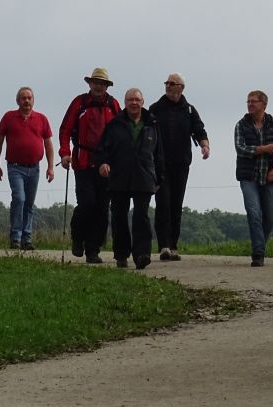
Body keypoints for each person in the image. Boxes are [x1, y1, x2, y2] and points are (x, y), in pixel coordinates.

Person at [95, 88, 164, 270]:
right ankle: (121, 254)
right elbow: (102, 149)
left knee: (141, 216)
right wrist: (103, 163)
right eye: (130, 100)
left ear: (142, 102)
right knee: (119, 216)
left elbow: (159, 153)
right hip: (119, 177)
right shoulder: (114, 124)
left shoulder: (152, 124)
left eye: (137, 100)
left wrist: (159, 177)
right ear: (125, 103)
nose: (134, 103)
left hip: (144, 177)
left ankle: (142, 254)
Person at [58, 67, 121, 264]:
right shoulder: (79, 103)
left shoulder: (113, 105)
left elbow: (121, 132)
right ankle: (78, 238)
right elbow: (65, 129)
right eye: (95, 82)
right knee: (87, 203)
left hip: (106, 164)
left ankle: (93, 249)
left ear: (106, 86)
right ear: (90, 84)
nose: (98, 86)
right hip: (83, 160)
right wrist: (65, 153)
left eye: (102, 83)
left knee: (102, 208)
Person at [148, 73, 209, 261]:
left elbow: (199, 129)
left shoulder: (189, 110)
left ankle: (173, 246)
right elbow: (147, 132)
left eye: (172, 83)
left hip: (181, 163)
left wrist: (205, 145)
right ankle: (164, 246)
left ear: (181, 87)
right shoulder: (155, 108)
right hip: (159, 164)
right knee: (163, 203)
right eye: (166, 82)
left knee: (176, 203)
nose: (168, 85)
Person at [234, 90, 273, 267]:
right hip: (248, 177)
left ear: (264, 105)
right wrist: (264, 149)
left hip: (269, 178)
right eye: (248, 101)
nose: (250, 104)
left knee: (270, 216)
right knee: (254, 213)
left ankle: (259, 244)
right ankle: (258, 253)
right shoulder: (241, 125)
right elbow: (240, 148)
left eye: (253, 101)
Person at [0, 86, 55, 250]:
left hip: (34, 168)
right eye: (23, 98)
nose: (26, 101)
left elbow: (48, 144)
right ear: (17, 101)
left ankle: (26, 239)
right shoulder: (9, 117)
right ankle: (15, 237)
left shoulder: (42, 119)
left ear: (33, 100)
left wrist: (50, 167)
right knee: (19, 198)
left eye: (29, 98)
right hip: (15, 167)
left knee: (29, 203)